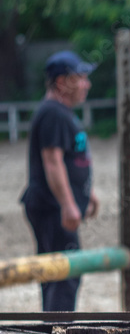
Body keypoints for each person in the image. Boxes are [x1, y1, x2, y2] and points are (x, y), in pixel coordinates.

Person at [19, 50, 99, 311]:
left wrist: (88, 193)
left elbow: (69, 159)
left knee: (57, 273)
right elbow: (52, 161)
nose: (86, 84)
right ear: (62, 82)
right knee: (65, 273)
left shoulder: (59, 112)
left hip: (53, 205)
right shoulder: (53, 113)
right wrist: (68, 204)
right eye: (80, 78)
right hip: (51, 207)